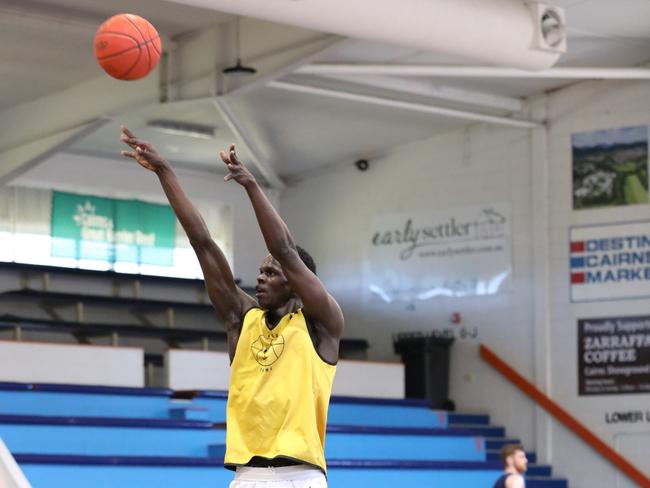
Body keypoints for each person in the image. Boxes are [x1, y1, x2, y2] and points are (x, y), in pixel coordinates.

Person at [120, 126, 344, 488]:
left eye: (271, 273)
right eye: (260, 271)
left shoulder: (322, 323)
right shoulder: (243, 318)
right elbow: (203, 243)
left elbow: (286, 250)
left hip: (300, 476)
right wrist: (165, 171)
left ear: (296, 284)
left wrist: (252, 186)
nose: (259, 278)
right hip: (246, 475)